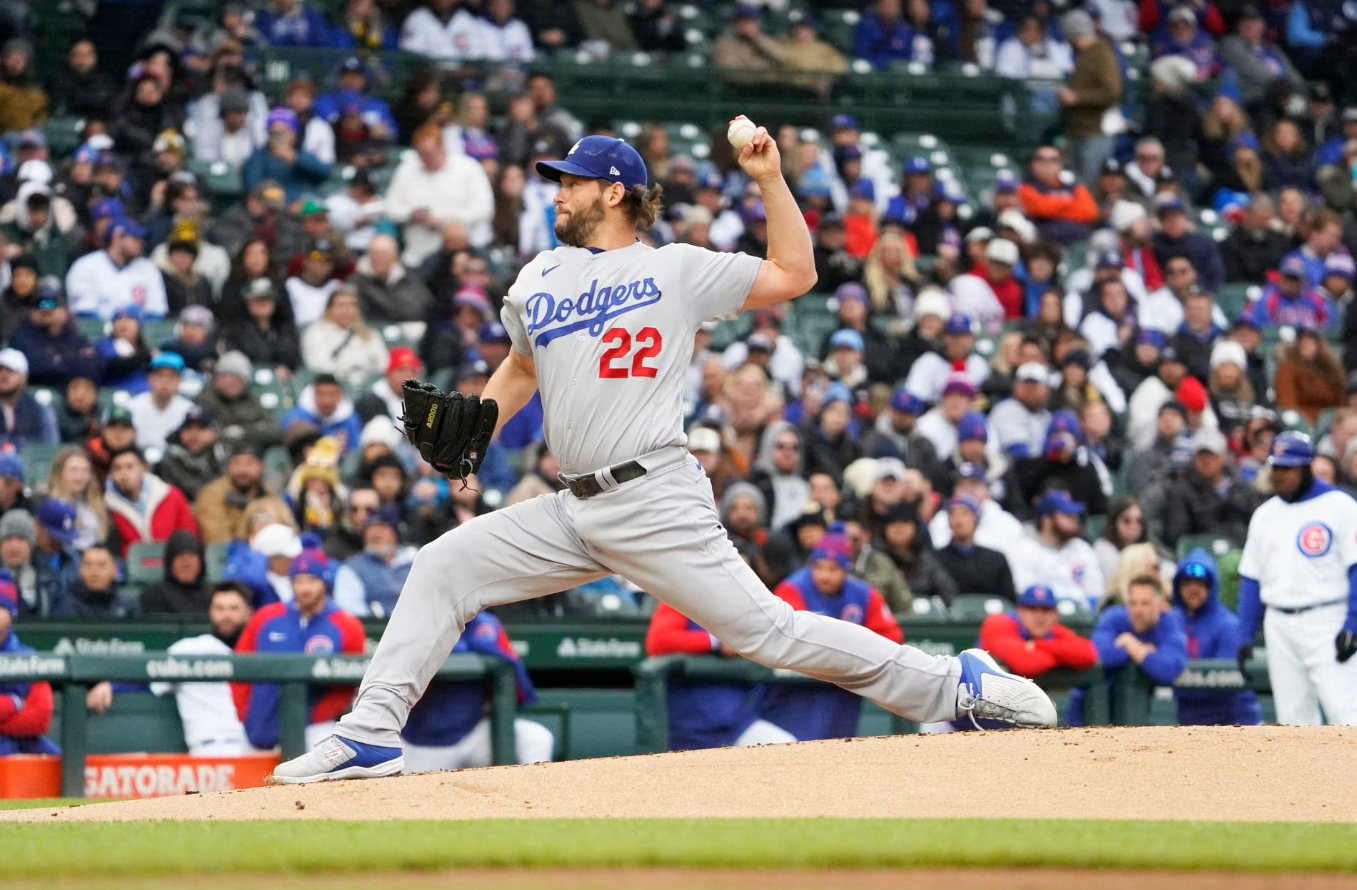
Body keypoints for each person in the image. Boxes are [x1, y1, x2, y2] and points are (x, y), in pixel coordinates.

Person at [271, 125, 1056, 783]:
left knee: (768, 634)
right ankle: (371, 731)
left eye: (571, 183)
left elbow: (795, 273)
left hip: (653, 495)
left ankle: (955, 685)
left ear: (613, 192)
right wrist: (479, 420)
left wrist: (770, 181)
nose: (557, 193)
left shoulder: (673, 268)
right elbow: (521, 364)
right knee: (443, 566)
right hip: (571, 506)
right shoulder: (539, 273)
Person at [1237, 432, 1357, 726]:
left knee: (1346, 712)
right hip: (1279, 624)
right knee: (1293, 721)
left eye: (1287, 468)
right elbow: (1252, 578)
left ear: (1306, 467)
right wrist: (1243, 633)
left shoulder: (1340, 507)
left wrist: (1353, 623)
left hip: (1327, 618)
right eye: (1276, 467)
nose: (1279, 475)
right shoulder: (1265, 515)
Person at [764, 534, 905, 741]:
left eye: (832, 569)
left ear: (845, 569)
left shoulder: (863, 593)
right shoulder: (792, 588)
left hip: (843, 688)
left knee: (838, 747)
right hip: (795, 688)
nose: (824, 575)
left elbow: (892, 636)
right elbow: (789, 639)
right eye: (819, 567)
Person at [234, 547, 366, 751]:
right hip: (259, 725)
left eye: (311, 581)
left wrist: (318, 715)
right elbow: (239, 668)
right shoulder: (265, 618)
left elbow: (349, 685)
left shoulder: (347, 625)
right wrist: (246, 712)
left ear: (324, 582)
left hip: (315, 727)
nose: (304, 588)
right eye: (298, 581)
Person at [401, 609, 556, 771]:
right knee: (415, 793)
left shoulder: (488, 625)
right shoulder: (419, 625)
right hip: (425, 743)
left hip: (475, 732)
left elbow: (522, 693)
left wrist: (493, 655)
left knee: (536, 738)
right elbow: (402, 695)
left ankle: (535, 794)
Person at [646, 600, 796, 750]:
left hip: (737, 722)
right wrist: (716, 641)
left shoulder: (739, 595)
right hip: (690, 727)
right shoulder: (679, 594)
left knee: (786, 748)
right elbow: (658, 641)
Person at [146, 583, 254, 756]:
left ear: (248, 612)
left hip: (254, 749)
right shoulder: (188, 649)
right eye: (220, 608)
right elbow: (145, 677)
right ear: (211, 612)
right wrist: (110, 685)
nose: (226, 615)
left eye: (234, 608)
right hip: (208, 748)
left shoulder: (259, 651)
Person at [1072, 575, 1189, 724]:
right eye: (1133, 603)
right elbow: (1098, 654)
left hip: (1141, 713)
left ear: (1160, 604)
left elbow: (1169, 670)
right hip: (1091, 709)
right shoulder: (1114, 617)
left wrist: (1133, 645)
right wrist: (1142, 652)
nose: (1138, 610)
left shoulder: (1170, 624)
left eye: (1145, 603)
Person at [1172, 551, 1263, 726]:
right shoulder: (1172, 620)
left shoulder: (1228, 624)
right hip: (1189, 720)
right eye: (1186, 583)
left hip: (1236, 720)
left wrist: (1176, 679)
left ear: (1210, 586)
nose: (1193, 589)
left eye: (1200, 583)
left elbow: (1224, 680)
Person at [386, 123, 495, 266]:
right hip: (418, 257)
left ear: (442, 147)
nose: (426, 159)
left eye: (430, 153)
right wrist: (412, 214)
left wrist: (445, 221)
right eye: (422, 154)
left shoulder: (468, 167)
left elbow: (484, 209)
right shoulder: (406, 170)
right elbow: (390, 208)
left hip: (461, 258)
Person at [1057, 10, 1122, 187]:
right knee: (1077, 185)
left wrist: (1076, 97)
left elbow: (1112, 92)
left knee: (1089, 186)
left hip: (1095, 132)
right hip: (1079, 131)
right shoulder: (1084, 54)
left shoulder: (1101, 53)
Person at [978, 584, 1098, 678]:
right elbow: (1027, 664)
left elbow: (1088, 654)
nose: (1039, 617)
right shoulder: (998, 624)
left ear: (1056, 615)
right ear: (1020, 612)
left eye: (1046, 610)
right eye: (1032, 609)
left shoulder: (1055, 631)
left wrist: (1038, 645)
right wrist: (1063, 656)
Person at [1012, 490, 1104, 609]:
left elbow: (1095, 592)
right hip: (1044, 616)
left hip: (1081, 620)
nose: (1074, 519)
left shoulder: (1082, 548)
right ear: (1047, 520)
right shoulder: (1023, 549)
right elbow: (1025, 595)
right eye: (1067, 515)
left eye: (1075, 514)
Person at [0, 571, 58, 756]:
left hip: (25, 746)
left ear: (12, 613)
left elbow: (40, 717)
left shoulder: (27, 656)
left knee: (65, 766)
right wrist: (16, 704)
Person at [65, 218, 170, 320]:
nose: (140, 243)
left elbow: (156, 313)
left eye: (141, 239)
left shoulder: (148, 268)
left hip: (139, 335)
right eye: (135, 238)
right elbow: (84, 313)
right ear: (117, 238)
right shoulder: (85, 266)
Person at [104, 448, 200, 558]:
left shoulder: (170, 495)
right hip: (133, 568)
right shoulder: (107, 506)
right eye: (117, 468)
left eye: (130, 466)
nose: (124, 473)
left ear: (144, 468)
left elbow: (189, 535)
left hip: (172, 565)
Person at [299, 284, 390, 390]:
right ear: (329, 308)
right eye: (340, 305)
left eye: (352, 305)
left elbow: (384, 363)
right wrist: (350, 367)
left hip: (368, 386)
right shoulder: (315, 331)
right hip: (334, 386)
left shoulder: (369, 333)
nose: (346, 310)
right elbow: (317, 364)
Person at [333, 507, 417, 619]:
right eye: (370, 528)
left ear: (395, 533)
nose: (376, 534)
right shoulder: (352, 568)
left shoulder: (414, 561)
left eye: (383, 527)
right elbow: (348, 608)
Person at [933, 496, 1016, 601]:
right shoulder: (936, 559)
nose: (958, 520)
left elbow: (1009, 600)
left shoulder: (996, 560)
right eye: (952, 514)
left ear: (975, 519)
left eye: (964, 513)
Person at [127, 352, 194, 452]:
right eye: (160, 375)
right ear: (150, 379)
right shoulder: (133, 406)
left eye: (172, 376)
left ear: (180, 380)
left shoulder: (189, 410)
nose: (166, 381)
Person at [140, 530, 210, 615]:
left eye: (191, 555)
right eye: (179, 555)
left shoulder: (213, 595)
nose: (186, 563)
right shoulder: (154, 594)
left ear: (201, 562)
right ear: (169, 562)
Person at [0, 348, 58, 448]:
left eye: (11, 370)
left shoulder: (40, 412)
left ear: (24, 377)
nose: (4, 374)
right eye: (0, 369)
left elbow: (48, 450)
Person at [61, 545, 139, 618]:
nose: (95, 571)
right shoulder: (67, 604)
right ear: (80, 570)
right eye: (88, 564)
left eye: (102, 565)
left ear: (115, 571)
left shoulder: (128, 605)